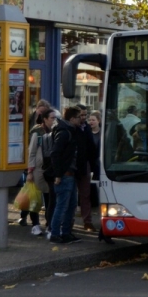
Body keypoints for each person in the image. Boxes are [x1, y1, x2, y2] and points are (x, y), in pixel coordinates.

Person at [49, 106, 82, 244]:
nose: (82, 119)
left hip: (71, 174)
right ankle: (55, 234)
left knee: (71, 205)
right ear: (72, 118)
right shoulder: (64, 132)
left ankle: (66, 232)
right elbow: (55, 154)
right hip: (64, 175)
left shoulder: (71, 131)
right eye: (79, 117)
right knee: (62, 205)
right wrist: (58, 174)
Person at [26, 108, 57, 236]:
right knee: (36, 199)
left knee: (50, 198)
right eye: (52, 118)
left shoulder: (55, 131)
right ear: (45, 119)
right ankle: (35, 225)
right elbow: (32, 152)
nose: (54, 120)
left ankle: (50, 224)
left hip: (50, 170)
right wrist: (30, 171)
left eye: (55, 118)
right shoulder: (37, 132)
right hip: (38, 170)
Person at [75, 104, 98, 232]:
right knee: (71, 196)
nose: (83, 118)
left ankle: (87, 221)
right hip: (73, 166)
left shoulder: (87, 129)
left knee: (85, 194)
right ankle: (70, 221)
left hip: (85, 165)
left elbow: (91, 147)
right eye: (81, 115)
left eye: (85, 115)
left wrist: (92, 164)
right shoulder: (71, 128)